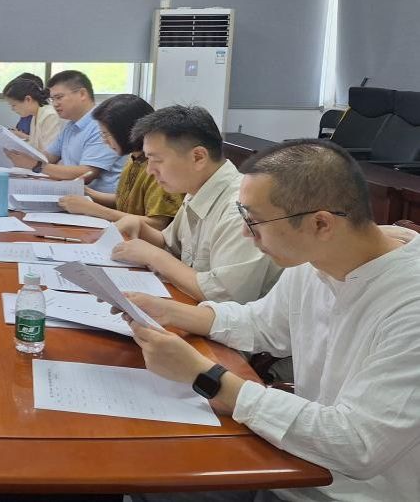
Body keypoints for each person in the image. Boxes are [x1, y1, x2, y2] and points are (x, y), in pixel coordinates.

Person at [120, 140, 420, 502]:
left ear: (320, 223)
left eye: (255, 221)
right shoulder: (316, 258)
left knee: (149, 477)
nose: (246, 234)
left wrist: (207, 377)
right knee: (139, 466)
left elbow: (358, 444)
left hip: (348, 491)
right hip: (292, 458)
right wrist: (170, 311)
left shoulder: (408, 302)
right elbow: (262, 323)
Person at [110, 105, 280, 303]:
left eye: (157, 160)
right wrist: (141, 228)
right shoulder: (196, 187)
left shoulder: (241, 210)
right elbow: (172, 245)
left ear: (198, 157)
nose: (150, 170)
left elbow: (224, 295)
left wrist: (154, 256)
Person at [58, 94, 183, 230]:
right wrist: (87, 192)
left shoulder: (157, 167)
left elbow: (158, 224)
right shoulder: (133, 157)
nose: (104, 140)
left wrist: (93, 209)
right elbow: (125, 200)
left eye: (106, 134)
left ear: (127, 131)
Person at [6, 70, 126, 193]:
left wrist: (36, 165)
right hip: (74, 193)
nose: (55, 104)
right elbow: (49, 156)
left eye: (59, 97)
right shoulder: (71, 125)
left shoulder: (100, 125)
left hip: (95, 199)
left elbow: (86, 173)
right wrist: (18, 153)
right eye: (52, 99)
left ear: (82, 94)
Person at [2, 73, 63, 154]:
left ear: (28, 99)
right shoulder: (35, 115)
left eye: (14, 105)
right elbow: (34, 145)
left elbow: (50, 153)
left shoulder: (50, 115)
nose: (12, 109)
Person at [8, 72, 46, 137]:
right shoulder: (26, 114)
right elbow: (19, 130)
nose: (12, 109)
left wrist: (21, 135)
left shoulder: (44, 115)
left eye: (14, 105)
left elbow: (42, 141)